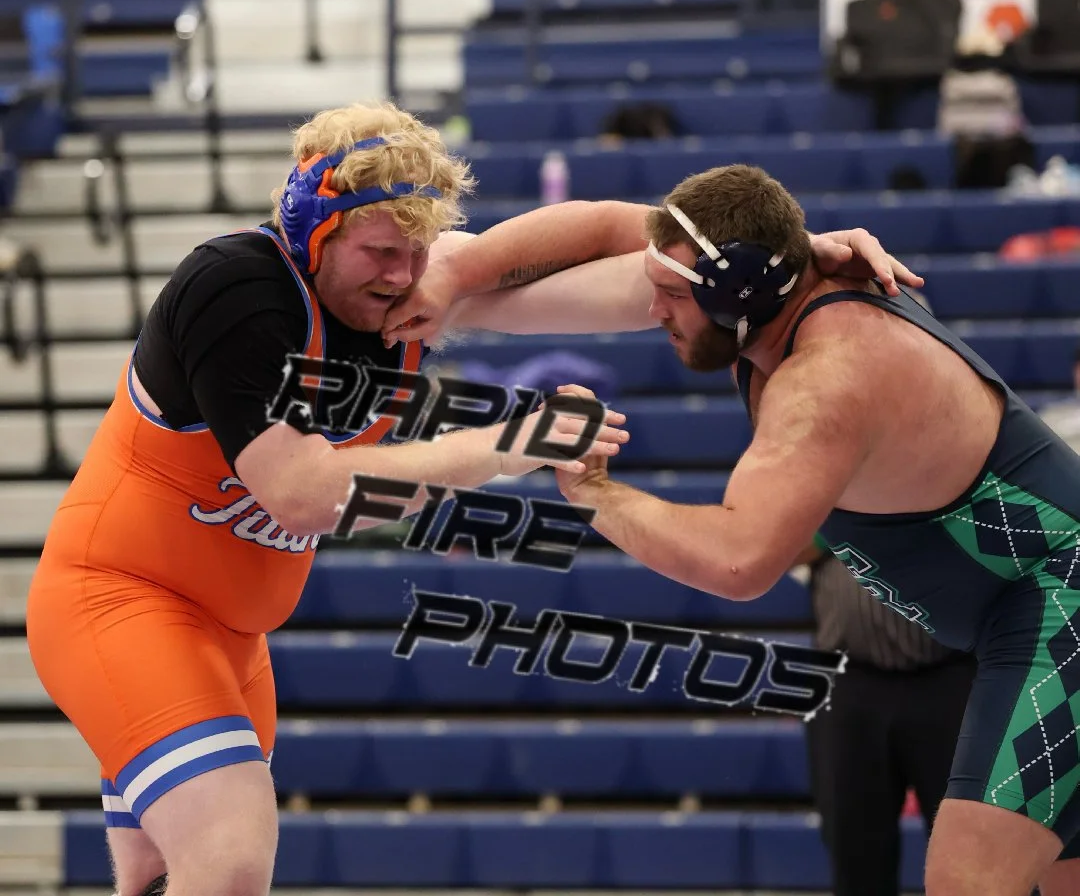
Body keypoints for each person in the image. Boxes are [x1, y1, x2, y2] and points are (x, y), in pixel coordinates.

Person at [26, 104, 903, 896]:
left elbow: (630, 252)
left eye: (419, 252)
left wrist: (775, 263)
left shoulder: (410, 286)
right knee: (227, 859)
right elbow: (301, 496)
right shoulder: (237, 291)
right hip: (121, 599)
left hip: (230, 632)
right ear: (310, 227)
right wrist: (504, 446)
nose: (401, 275)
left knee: (160, 878)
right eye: (382, 253)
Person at [383, 163, 1080, 896]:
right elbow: (601, 225)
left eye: (674, 295)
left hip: (1059, 604)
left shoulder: (827, 377)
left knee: (970, 881)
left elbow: (740, 561)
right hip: (1019, 614)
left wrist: (593, 493)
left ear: (739, 292)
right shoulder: (762, 285)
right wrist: (452, 278)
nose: (654, 308)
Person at [800, 536, 976, 896]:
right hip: (849, 680)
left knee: (971, 852)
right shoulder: (822, 501)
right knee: (854, 850)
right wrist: (832, 524)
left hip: (951, 673)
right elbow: (769, 551)